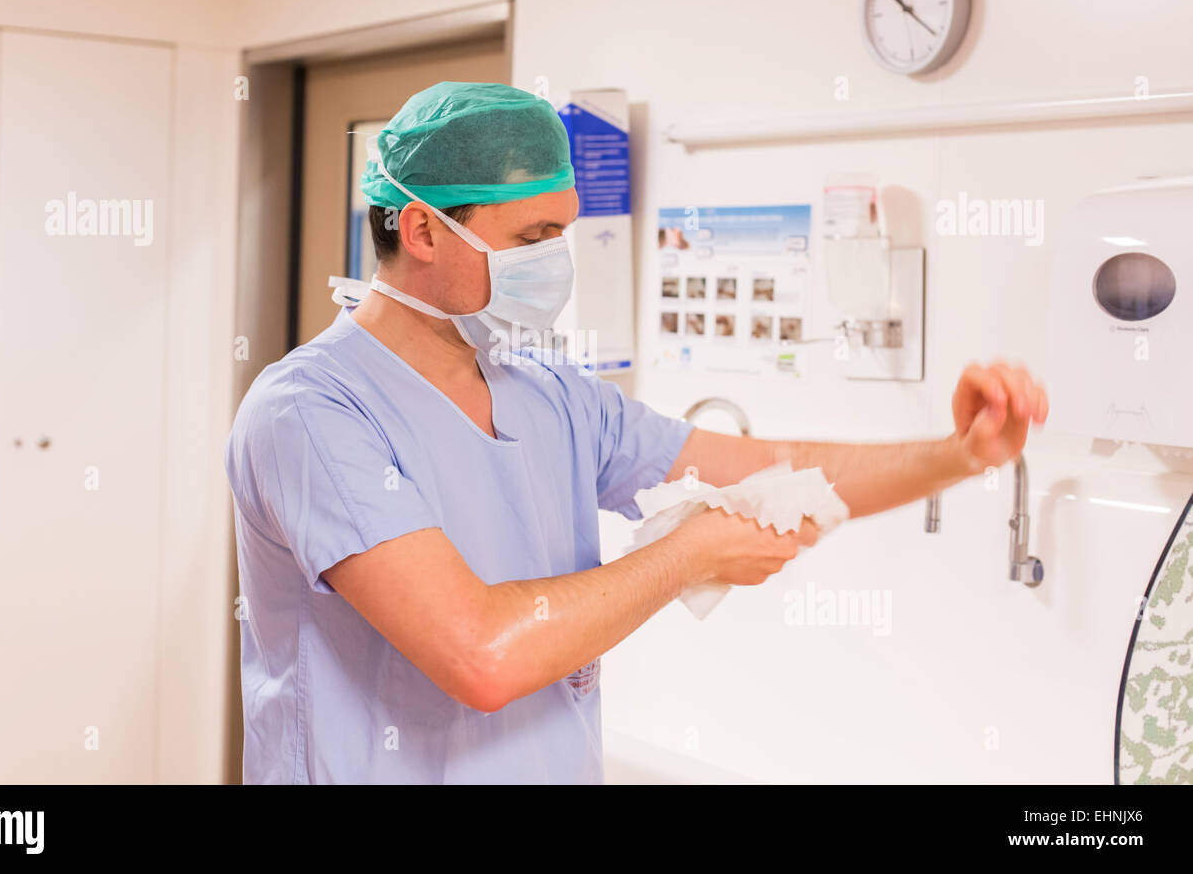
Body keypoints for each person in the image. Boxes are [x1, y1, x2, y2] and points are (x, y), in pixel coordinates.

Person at [224, 81, 1049, 784]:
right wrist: (689, 553)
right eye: (531, 238)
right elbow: (480, 655)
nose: (555, 261)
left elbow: (772, 471)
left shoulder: (550, 393)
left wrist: (962, 454)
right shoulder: (312, 413)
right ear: (425, 229)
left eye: (563, 233)